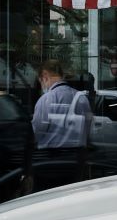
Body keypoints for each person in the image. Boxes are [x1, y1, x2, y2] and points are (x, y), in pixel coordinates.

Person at [30, 59, 92, 190]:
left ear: (45, 76)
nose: (42, 85)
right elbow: (88, 126)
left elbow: (36, 131)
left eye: (40, 80)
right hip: (77, 158)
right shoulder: (81, 98)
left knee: (46, 198)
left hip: (51, 160)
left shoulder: (46, 99)